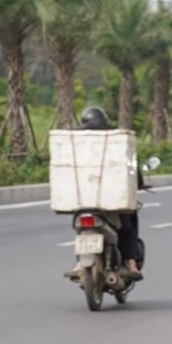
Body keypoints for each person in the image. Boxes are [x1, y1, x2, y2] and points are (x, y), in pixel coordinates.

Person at [66, 106, 144, 280]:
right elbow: (133, 169)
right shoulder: (117, 143)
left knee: (79, 227)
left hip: (84, 200)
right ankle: (131, 262)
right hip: (113, 201)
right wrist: (139, 182)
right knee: (128, 224)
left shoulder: (76, 145)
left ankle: (79, 263)